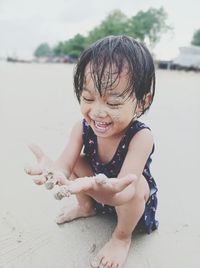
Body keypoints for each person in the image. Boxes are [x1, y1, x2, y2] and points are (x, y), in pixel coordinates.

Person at [25, 35, 158, 268]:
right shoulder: (82, 128)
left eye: (113, 103)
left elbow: (124, 192)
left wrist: (99, 188)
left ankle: (121, 237)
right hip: (93, 188)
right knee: (79, 160)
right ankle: (86, 207)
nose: (97, 112)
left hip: (126, 199)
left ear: (142, 103)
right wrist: (54, 171)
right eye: (88, 98)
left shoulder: (141, 137)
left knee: (138, 186)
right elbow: (65, 166)